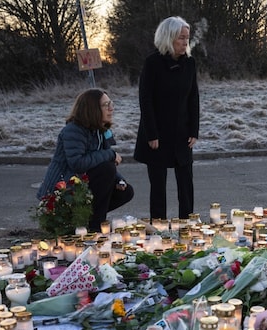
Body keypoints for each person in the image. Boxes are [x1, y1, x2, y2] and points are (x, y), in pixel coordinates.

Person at [38, 88, 134, 232]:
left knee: (125, 191)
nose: (111, 108)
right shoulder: (73, 130)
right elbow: (78, 163)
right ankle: (93, 226)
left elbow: (102, 160)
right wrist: (110, 154)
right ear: (92, 109)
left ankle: (85, 221)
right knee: (106, 169)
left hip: (80, 185)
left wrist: (119, 180)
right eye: (106, 105)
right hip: (61, 193)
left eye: (111, 103)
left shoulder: (100, 131)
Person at [134, 16, 200, 221]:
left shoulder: (190, 62)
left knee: (186, 184)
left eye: (187, 38)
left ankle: (187, 226)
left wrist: (194, 131)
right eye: (181, 38)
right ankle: (158, 228)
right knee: (158, 186)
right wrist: (151, 133)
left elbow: (194, 98)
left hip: (182, 133)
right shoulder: (152, 63)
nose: (185, 42)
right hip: (157, 135)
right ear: (168, 37)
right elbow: (145, 100)